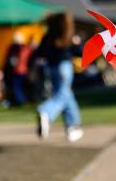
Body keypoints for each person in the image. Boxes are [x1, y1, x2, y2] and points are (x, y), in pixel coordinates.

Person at [35, 12, 83, 142]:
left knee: (66, 94)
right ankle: (46, 111)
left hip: (51, 69)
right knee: (62, 96)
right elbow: (79, 52)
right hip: (64, 67)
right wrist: (78, 43)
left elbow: (39, 53)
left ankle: (72, 127)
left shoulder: (48, 36)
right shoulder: (66, 36)